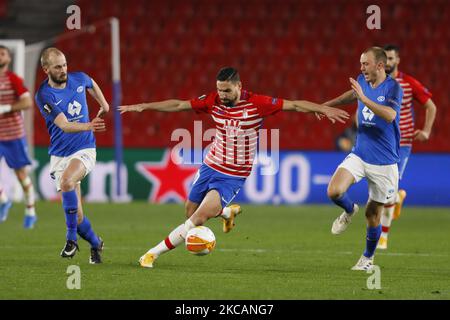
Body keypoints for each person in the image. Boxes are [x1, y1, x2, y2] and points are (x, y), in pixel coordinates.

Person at [119, 66, 350, 268]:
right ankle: (226, 212)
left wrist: (322, 109)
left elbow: (295, 105)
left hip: (233, 175)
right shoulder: (213, 100)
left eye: (227, 90)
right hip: (210, 164)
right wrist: (144, 106)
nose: (222, 95)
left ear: (239, 86)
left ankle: (151, 254)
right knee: (190, 211)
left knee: (196, 220)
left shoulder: (257, 103)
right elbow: (179, 104)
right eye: (219, 90)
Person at [324, 47, 403, 270]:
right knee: (334, 191)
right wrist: (325, 106)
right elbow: (352, 95)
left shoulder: (393, 88)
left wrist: (364, 98)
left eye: (365, 64)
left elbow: (389, 115)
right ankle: (349, 210)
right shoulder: (362, 81)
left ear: (379, 65)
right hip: (360, 154)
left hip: (385, 163)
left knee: (373, 214)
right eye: (360, 64)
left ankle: (367, 258)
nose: (361, 68)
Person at [34, 48, 109, 264]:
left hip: (84, 149)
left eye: (65, 64)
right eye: (58, 67)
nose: (64, 70)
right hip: (60, 155)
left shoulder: (78, 78)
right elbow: (65, 125)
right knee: (77, 216)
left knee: (67, 181)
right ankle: (96, 244)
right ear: (46, 69)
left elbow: (90, 82)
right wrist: (90, 124)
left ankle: (70, 239)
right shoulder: (44, 95)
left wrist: (103, 105)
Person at [377, 44, 437, 249]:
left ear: (398, 61)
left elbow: (431, 106)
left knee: (387, 191)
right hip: (381, 144)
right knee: (384, 191)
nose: (388, 63)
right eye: (385, 59)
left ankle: (383, 238)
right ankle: (398, 197)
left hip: (402, 144)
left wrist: (426, 130)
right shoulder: (377, 83)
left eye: (392, 59)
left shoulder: (409, 83)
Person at [0, 45, 38, 229]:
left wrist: (6, 108)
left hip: (13, 135)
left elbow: (27, 102)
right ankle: (4, 200)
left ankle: (30, 211)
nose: (0, 56)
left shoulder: (13, 79)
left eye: (3, 53)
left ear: (8, 58)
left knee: (21, 174)